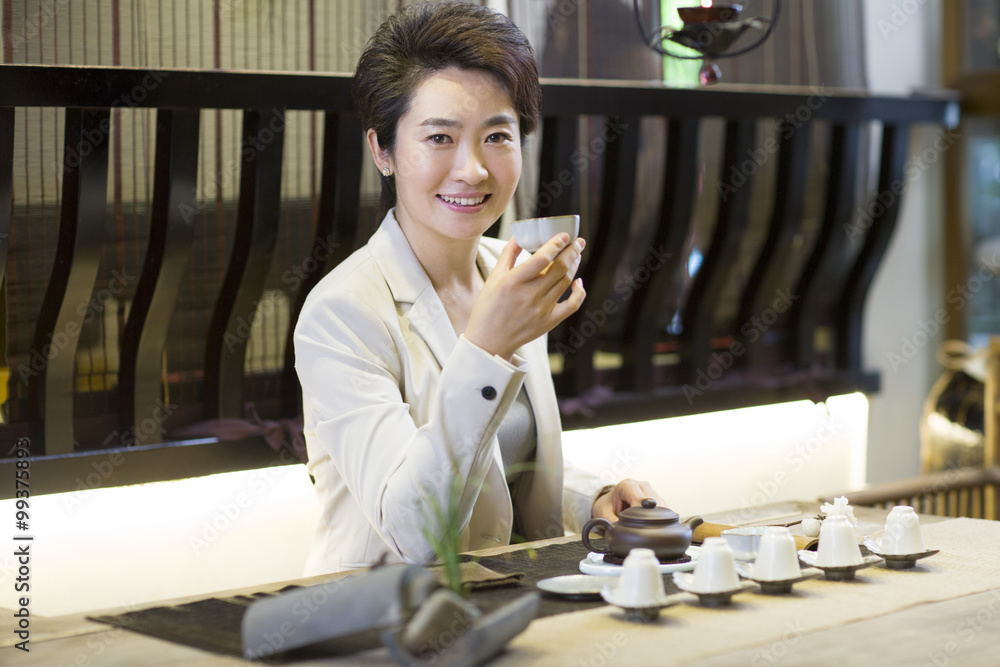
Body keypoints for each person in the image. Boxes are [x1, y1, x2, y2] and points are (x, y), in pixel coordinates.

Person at [294, 0, 662, 575]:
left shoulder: (508, 271)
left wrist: (591, 500)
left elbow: (501, 468)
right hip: (385, 628)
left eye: (497, 135)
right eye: (439, 138)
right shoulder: (341, 314)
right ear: (383, 151)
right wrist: (485, 347)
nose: (472, 170)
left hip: (507, 606)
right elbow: (415, 531)